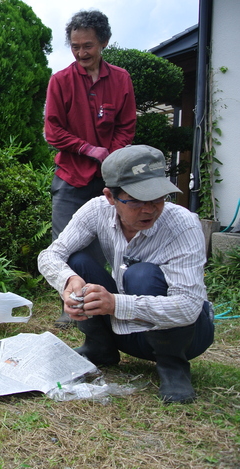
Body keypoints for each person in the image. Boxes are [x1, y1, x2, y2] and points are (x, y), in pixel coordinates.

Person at [38, 145, 214, 404]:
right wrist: (69, 282)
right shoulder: (96, 210)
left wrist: (115, 303)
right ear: (110, 196)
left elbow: (188, 307)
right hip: (128, 332)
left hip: (187, 335)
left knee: (141, 275)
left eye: (158, 199)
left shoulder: (183, 224)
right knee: (78, 262)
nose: (150, 209)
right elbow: (50, 255)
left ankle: (173, 366)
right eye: (137, 200)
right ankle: (101, 349)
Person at [44, 9, 137, 327]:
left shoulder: (121, 80)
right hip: (70, 177)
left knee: (103, 243)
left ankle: (100, 304)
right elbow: (52, 131)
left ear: (104, 43)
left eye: (88, 46)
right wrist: (87, 148)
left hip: (108, 179)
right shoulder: (61, 81)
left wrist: (112, 155)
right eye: (75, 46)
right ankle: (69, 305)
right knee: (65, 243)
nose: (81, 52)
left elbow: (127, 126)